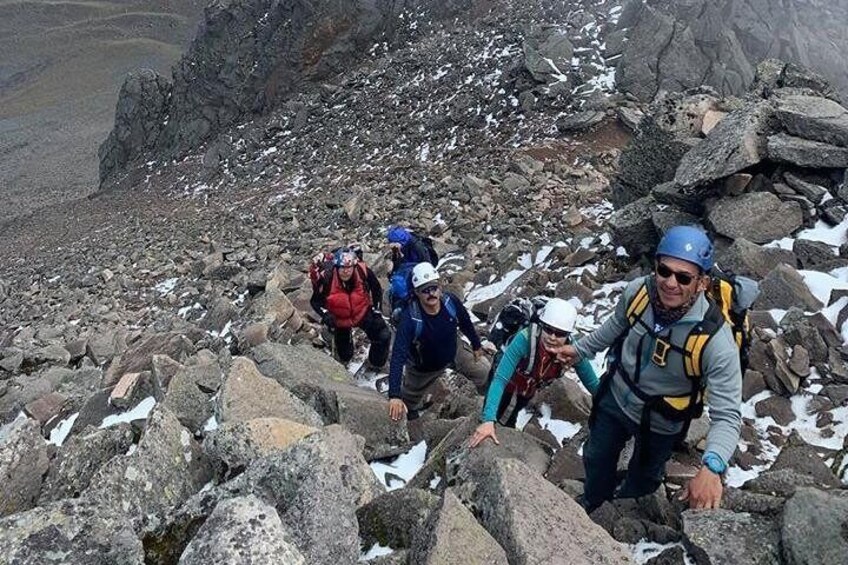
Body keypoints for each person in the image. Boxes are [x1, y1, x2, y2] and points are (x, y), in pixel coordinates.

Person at [554, 226, 742, 511]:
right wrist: (580, 349)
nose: (669, 282)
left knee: (646, 473)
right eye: (664, 270)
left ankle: (629, 510)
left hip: (662, 419)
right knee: (596, 456)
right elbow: (615, 326)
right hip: (616, 395)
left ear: (702, 283)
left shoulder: (715, 341)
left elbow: (727, 414)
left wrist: (712, 466)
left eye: (683, 277)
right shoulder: (638, 293)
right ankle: (594, 501)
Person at [469, 298, 599, 446]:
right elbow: (500, 380)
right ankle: (493, 426)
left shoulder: (573, 351)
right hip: (508, 382)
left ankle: (504, 430)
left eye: (560, 333)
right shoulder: (524, 339)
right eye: (548, 329)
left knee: (512, 413)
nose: (552, 337)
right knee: (500, 415)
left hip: (529, 388)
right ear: (541, 325)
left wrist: (612, 403)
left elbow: (593, 383)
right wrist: (488, 420)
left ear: (568, 334)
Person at [387, 262, 490, 425]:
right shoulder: (410, 318)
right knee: (406, 405)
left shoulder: (450, 302)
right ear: (416, 293)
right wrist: (394, 395)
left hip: (452, 350)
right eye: (425, 290)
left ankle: (467, 396)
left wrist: (476, 345)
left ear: (440, 286)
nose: (431, 294)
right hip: (423, 366)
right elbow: (398, 356)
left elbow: (465, 322)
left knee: (482, 370)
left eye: (433, 287)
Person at [310, 248, 390, 373]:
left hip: (362, 312)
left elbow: (376, 289)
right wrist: (325, 314)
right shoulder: (328, 278)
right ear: (336, 266)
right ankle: (345, 352)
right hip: (339, 318)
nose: (346, 271)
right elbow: (315, 301)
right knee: (345, 355)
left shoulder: (362, 271)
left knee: (383, 335)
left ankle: (376, 364)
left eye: (349, 267)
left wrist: (377, 310)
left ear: (354, 265)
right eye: (342, 267)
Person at [386, 226, 434, 316]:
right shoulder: (399, 248)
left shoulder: (417, 246)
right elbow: (398, 265)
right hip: (406, 274)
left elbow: (427, 264)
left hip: (419, 276)